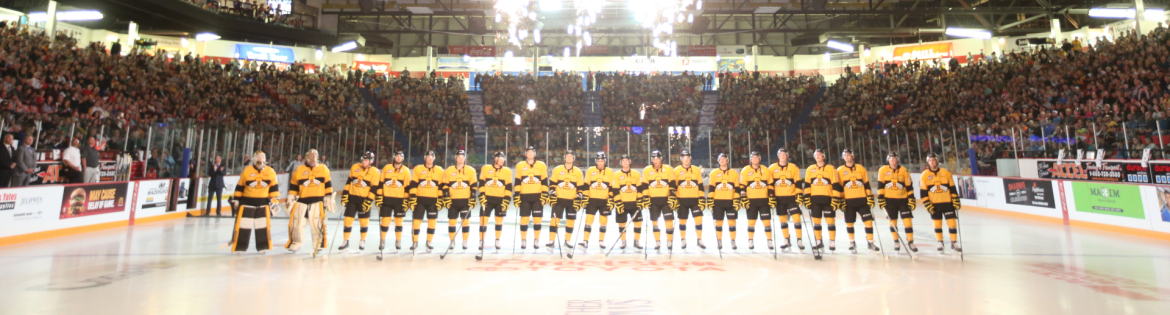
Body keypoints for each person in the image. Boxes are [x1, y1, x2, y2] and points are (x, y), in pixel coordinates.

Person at [286, 149, 335, 257]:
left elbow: (328, 185)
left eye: (315, 155)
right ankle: (297, 242)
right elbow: (294, 186)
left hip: (317, 202)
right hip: (301, 202)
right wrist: (291, 197)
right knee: (297, 224)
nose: (313, 157)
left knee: (317, 225)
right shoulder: (299, 169)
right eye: (311, 155)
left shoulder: (323, 169)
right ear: (307, 157)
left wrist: (329, 197)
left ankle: (318, 243)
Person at [228, 151, 279, 252]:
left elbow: (274, 188)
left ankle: (263, 246)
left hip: (263, 204)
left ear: (265, 159)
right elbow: (240, 187)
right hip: (247, 203)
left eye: (262, 157)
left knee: (262, 226)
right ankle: (240, 247)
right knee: (243, 226)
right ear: (254, 159)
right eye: (258, 157)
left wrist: (275, 199)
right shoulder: (247, 170)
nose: (260, 158)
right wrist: (236, 199)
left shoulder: (271, 171)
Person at [836, 149, 879, 254]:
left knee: (868, 221)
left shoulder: (860, 168)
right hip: (848, 201)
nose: (847, 156)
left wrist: (870, 196)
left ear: (852, 156)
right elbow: (839, 187)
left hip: (862, 200)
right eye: (845, 155)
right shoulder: (840, 170)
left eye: (848, 155)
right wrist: (841, 200)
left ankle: (870, 242)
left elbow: (866, 184)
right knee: (849, 223)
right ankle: (852, 242)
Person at [338, 152, 381, 252]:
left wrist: (369, 201)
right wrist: (345, 194)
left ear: (371, 161)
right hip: (352, 198)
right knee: (347, 220)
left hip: (364, 199)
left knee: (364, 221)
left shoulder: (375, 172)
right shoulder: (355, 167)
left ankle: (362, 240)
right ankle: (346, 241)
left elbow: (374, 188)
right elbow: (349, 182)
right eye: (363, 159)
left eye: (366, 160)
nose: (363, 162)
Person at [920, 153, 961, 253]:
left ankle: (954, 242)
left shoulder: (945, 172)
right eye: (930, 160)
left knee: (952, 224)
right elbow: (923, 193)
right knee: (937, 225)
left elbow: (952, 188)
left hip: (948, 203)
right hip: (934, 204)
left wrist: (956, 200)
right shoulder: (925, 175)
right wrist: (927, 204)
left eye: (933, 160)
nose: (932, 162)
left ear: (937, 161)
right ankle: (940, 242)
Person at [878, 152, 917, 253]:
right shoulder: (883, 170)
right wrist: (881, 198)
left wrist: (911, 198)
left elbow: (909, 186)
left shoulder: (904, 170)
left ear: (897, 160)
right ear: (888, 160)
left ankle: (910, 241)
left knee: (908, 222)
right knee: (892, 222)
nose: (892, 160)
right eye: (890, 158)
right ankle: (896, 241)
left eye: (894, 158)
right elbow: (880, 185)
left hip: (903, 200)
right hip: (889, 201)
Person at [547, 151, 585, 252]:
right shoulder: (557, 169)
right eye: (567, 156)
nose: (569, 158)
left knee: (570, 221)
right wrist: (552, 194)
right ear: (564, 158)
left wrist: (579, 198)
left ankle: (567, 241)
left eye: (571, 156)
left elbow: (580, 187)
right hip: (559, 199)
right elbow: (552, 183)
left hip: (572, 200)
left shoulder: (578, 172)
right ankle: (551, 241)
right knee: (554, 220)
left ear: (573, 159)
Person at [803, 149, 840, 251]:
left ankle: (832, 241)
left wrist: (836, 198)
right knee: (816, 221)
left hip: (828, 199)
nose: (818, 156)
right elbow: (807, 185)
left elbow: (835, 185)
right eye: (816, 155)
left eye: (820, 154)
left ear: (824, 157)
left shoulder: (831, 169)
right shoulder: (810, 169)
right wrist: (807, 198)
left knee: (830, 221)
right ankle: (818, 241)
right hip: (815, 200)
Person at [409, 150, 445, 253]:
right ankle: (415, 242)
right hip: (420, 200)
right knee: (416, 222)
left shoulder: (439, 170)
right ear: (425, 158)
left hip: (433, 200)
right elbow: (413, 184)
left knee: (432, 223)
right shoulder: (418, 169)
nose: (430, 158)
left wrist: (440, 199)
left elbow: (441, 186)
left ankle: (429, 242)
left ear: (434, 158)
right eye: (428, 156)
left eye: (431, 156)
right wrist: (413, 197)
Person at [768, 148, 803, 251]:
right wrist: (771, 196)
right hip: (779, 199)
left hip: (791, 197)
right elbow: (770, 183)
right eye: (781, 154)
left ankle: (799, 240)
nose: (783, 156)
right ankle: (786, 240)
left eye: (785, 154)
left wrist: (799, 195)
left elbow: (798, 182)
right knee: (783, 220)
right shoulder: (772, 168)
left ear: (787, 156)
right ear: (778, 156)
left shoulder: (793, 167)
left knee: (797, 219)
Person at [514, 146, 548, 250]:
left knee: (537, 219)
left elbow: (544, 181)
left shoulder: (541, 165)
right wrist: (516, 195)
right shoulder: (520, 165)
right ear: (525, 154)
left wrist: (545, 193)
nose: (530, 153)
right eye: (528, 152)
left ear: (535, 154)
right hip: (524, 197)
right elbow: (517, 181)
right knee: (524, 220)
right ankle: (523, 240)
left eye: (532, 152)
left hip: (537, 197)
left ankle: (536, 240)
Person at [642, 150, 676, 252]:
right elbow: (644, 185)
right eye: (654, 158)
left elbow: (672, 183)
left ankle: (669, 241)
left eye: (657, 158)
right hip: (653, 201)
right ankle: (657, 241)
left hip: (666, 200)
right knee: (655, 222)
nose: (655, 160)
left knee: (669, 222)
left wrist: (672, 196)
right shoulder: (647, 170)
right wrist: (645, 197)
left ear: (661, 159)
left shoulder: (668, 169)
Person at [376, 151, 411, 252]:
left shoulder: (406, 171)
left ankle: (398, 240)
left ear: (403, 158)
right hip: (386, 199)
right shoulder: (386, 168)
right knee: (385, 221)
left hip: (399, 200)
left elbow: (407, 187)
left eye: (400, 156)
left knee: (399, 222)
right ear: (394, 157)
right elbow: (381, 183)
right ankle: (382, 240)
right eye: (397, 156)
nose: (398, 158)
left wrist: (406, 201)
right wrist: (379, 197)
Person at [478, 151, 513, 251]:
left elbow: (509, 187)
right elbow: (481, 183)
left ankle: (497, 240)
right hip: (487, 199)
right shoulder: (486, 168)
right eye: (501, 159)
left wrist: (507, 200)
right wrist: (482, 195)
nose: (503, 161)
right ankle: (481, 240)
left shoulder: (507, 171)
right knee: (483, 221)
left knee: (499, 221)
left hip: (500, 200)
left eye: (503, 159)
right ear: (495, 159)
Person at [443, 150, 477, 250]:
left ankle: (465, 241)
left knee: (465, 222)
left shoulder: (471, 170)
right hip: (453, 201)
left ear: (465, 158)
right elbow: (445, 185)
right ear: (456, 158)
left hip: (465, 201)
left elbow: (474, 185)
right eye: (459, 156)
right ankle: (452, 241)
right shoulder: (449, 170)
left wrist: (473, 197)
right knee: (452, 222)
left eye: (462, 156)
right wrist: (446, 197)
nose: (461, 158)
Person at [579, 151, 614, 250]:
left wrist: (611, 198)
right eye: (598, 161)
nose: (600, 163)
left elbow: (612, 187)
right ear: (596, 161)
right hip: (592, 201)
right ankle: (585, 241)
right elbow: (586, 184)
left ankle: (601, 242)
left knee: (603, 222)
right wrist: (585, 197)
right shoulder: (590, 170)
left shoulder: (610, 172)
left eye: (601, 161)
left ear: (605, 161)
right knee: (588, 220)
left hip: (604, 201)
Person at [673, 149, 706, 250]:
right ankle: (683, 240)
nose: (686, 159)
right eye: (684, 158)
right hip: (681, 200)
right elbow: (674, 186)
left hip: (695, 200)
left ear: (690, 159)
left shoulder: (696, 170)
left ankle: (699, 239)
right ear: (681, 159)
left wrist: (702, 198)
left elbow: (700, 185)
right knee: (682, 221)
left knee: (699, 220)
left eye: (687, 157)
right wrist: (674, 198)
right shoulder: (676, 170)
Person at [611, 154, 644, 250]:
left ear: (629, 162)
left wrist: (640, 200)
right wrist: (618, 202)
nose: (625, 162)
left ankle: (636, 242)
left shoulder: (636, 174)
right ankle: (623, 241)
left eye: (626, 160)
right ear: (621, 163)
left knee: (638, 223)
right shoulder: (617, 175)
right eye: (623, 161)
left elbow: (640, 188)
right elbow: (615, 190)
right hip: (622, 203)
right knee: (622, 224)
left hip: (634, 203)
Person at [707, 153, 739, 250]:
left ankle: (733, 241)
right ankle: (719, 241)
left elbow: (737, 189)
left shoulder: (734, 173)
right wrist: (710, 200)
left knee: (732, 223)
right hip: (718, 203)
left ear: (727, 161)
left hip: (730, 202)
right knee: (718, 223)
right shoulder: (713, 173)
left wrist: (737, 200)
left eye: (724, 159)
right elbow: (711, 189)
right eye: (720, 159)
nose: (722, 160)